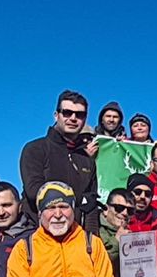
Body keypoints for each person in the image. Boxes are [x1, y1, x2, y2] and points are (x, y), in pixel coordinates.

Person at [19, 90, 100, 228]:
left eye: (80, 115)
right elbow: (34, 192)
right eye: (67, 112)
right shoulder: (35, 149)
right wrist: (81, 199)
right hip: (39, 234)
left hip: (75, 239)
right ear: (56, 115)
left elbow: (91, 205)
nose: (73, 118)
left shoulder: (86, 159)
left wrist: (92, 240)